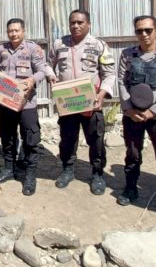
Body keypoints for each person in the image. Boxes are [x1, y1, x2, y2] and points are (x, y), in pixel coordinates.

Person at [116, 15, 156, 218]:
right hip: (133, 114)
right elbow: (121, 81)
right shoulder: (127, 55)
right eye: (139, 30)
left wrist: (153, 111)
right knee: (133, 154)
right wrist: (129, 109)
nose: (143, 34)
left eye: (148, 30)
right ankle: (130, 188)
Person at [47, 10, 116, 194]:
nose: (75, 26)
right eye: (72, 22)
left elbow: (109, 74)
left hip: (91, 103)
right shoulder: (59, 44)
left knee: (96, 139)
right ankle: (68, 169)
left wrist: (101, 94)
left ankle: (97, 174)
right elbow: (48, 63)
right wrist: (51, 75)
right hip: (67, 103)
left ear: (89, 24)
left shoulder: (99, 45)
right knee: (67, 138)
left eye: (80, 22)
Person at [0, 19, 47, 195]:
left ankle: (29, 176)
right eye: (10, 31)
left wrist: (31, 79)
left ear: (23, 31)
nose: (13, 34)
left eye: (16, 30)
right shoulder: (1, 50)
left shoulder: (32, 49)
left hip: (26, 103)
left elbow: (42, 71)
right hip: (6, 103)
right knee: (7, 137)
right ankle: (9, 168)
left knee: (30, 139)